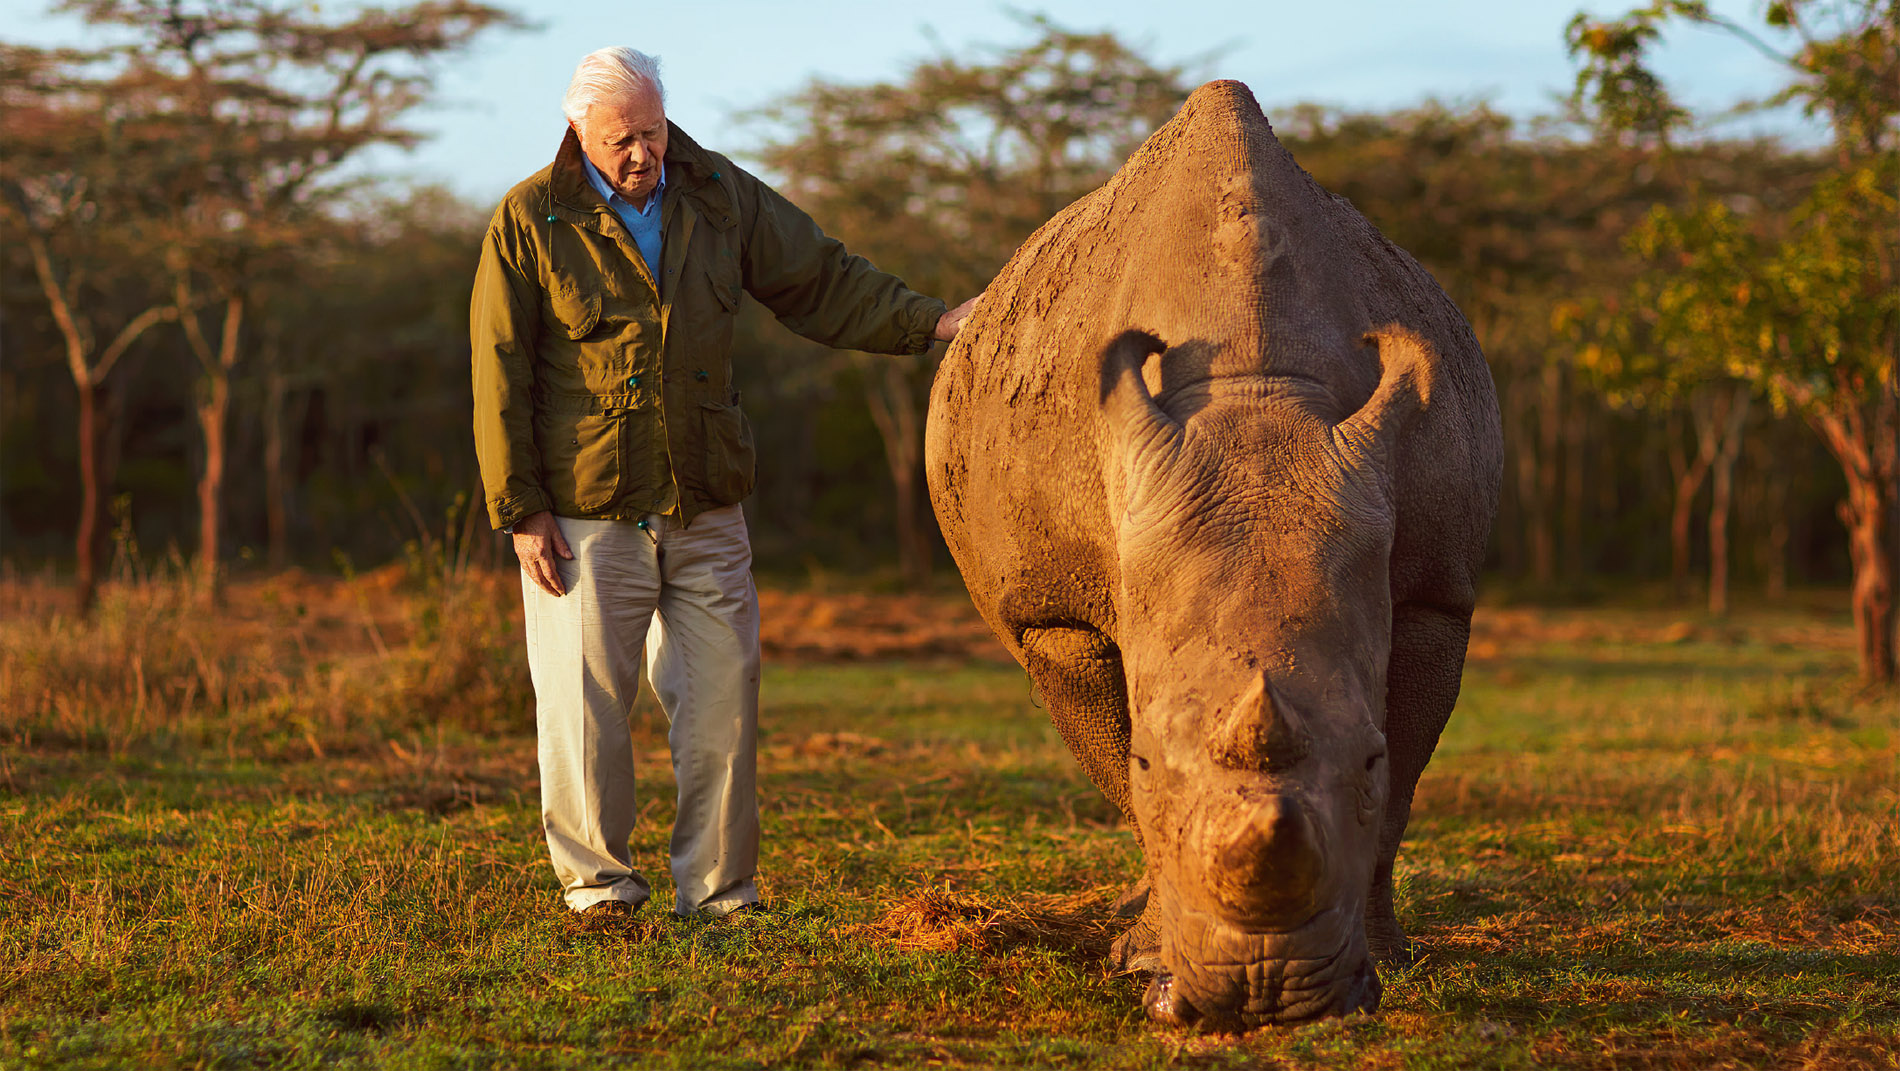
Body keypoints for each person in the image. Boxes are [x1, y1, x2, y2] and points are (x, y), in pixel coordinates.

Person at [471, 46, 977, 922]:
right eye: (623, 138)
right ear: (578, 133)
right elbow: (499, 370)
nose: (643, 154)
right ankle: (601, 889)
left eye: (654, 131)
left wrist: (931, 322)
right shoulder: (529, 220)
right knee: (586, 712)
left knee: (725, 707)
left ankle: (718, 892)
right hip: (586, 515)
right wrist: (521, 509)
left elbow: (819, 278)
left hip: (708, 503)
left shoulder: (718, 192)